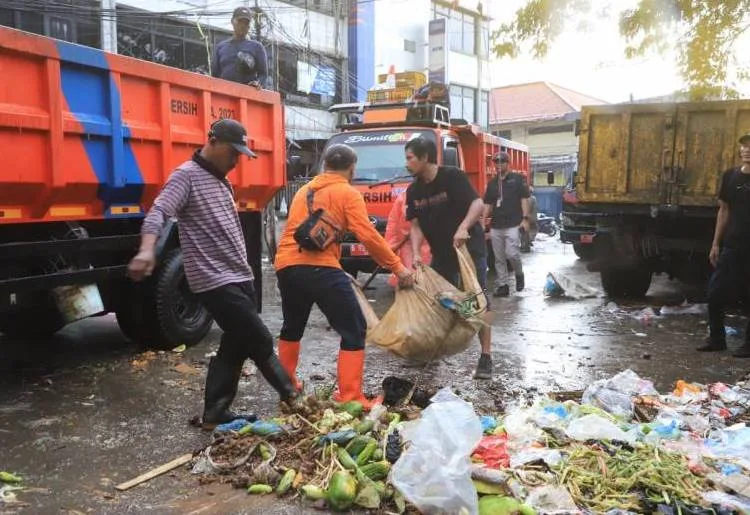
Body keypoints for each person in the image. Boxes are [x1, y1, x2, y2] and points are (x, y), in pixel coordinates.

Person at [127, 119, 297, 431]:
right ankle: (295, 398)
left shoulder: (221, 181)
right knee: (258, 337)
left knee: (237, 342)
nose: (236, 161)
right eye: (233, 153)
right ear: (213, 141)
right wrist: (147, 249)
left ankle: (216, 413)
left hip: (238, 275)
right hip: (213, 280)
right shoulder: (186, 177)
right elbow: (159, 213)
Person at [274, 144, 414, 408]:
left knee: (292, 326)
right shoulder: (347, 193)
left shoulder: (304, 191)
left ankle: (287, 385)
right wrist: (398, 267)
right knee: (354, 329)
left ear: (324, 165)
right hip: (321, 268)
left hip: (287, 266)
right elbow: (368, 235)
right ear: (352, 168)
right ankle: (350, 395)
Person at [403, 137, 494, 380]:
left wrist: (464, 227)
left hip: (468, 250)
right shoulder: (413, 190)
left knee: (477, 300)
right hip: (442, 253)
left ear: (424, 157)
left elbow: (477, 203)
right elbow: (416, 226)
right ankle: (430, 352)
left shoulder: (452, 177)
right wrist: (414, 253)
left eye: (410, 158)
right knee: (437, 301)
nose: (407, 163)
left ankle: (485, 357)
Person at [698, 132, 750, 357]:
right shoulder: (730, 176)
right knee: (715, 293)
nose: (747, 150)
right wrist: (716, 243)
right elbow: (724, 210)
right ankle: (717, 339)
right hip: (732, 245)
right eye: (744, 146)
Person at [483, 152, 531, 297]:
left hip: (513, 224)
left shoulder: (517, 180)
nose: (498, 165)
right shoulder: (492, 184)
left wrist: (525, 219)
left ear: (507, 163)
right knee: (499, 258)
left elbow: (524, 199)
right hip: (496, 225)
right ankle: (503, 285)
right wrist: (483, 219)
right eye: (496, 162)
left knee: (512, 254)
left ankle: (519, 273)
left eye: (501, 162)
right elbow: (488, 204)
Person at [384, 190, 432, 288]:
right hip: (407, 245)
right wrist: (391, 246)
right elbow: (393, 223)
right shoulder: (404, 197)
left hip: (429, 245)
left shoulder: (439, 194)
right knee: (411, 280)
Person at [211, 6, 268, 89]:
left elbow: (263, 74)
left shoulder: (257, 47)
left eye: (246, 23)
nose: (243, 25)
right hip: (224, 95)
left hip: (248, 95)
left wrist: (258, 83)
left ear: (249, 26)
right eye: (240, 21)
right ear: (232, 21)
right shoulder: (220, 47)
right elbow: (215, 76)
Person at [520, 186, 538, 253]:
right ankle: (525, 245)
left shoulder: (528, 199)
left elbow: (528, 209)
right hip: (531, 218)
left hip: (528, 219)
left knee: (525, 233)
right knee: (525, 233)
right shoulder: (533, 198)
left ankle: (525, 246)